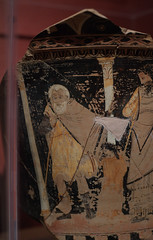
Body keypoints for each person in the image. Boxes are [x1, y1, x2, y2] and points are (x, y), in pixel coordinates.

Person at [39, 84, 129, 219]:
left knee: (79, 175)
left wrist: (105, 116)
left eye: (60, 96)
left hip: (73, 145)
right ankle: (65, 210)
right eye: (55, 97)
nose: (57, 100)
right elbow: (42, 129)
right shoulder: (49, 110)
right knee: (59, 178)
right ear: (51, 99)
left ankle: (88, 209)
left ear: (66, 97)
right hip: (58, 148)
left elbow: (90, 118)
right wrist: (49, 122)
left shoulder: (73, 106)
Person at [122, 70, 153, 187]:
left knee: (138, 164)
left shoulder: (139, 91)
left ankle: (139, 194)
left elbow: (126, 112)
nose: (141, 80)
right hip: (150, 133)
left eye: (143, 77)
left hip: (139, 132)